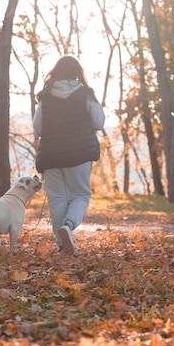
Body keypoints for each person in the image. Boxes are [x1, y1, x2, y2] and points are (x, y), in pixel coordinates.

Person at [33, 55, 105, 255]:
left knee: (57, 198)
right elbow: (98, 123)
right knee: (81, 194)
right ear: (77, 72)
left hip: (51, 154)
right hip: (79, 153)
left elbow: (37, 127)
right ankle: (68, 225)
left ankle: (61, 244)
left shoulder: (46, 96)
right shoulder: (86, 94)